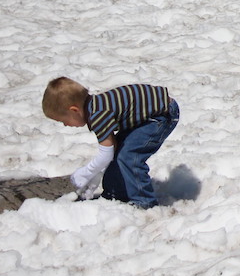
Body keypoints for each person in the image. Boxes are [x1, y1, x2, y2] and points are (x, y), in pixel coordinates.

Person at [42, 77, 179, 208]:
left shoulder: (98, 115)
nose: (65, 125)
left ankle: (145, 202)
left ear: (74, 110)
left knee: (129, 157)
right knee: (119, 153)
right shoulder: (96, 106)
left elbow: (106, 155)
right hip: (148, 116)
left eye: (63, 120)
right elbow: (112, 149)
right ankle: (114, 194)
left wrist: (86, 173)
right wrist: (97, 174)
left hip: (161, 116)